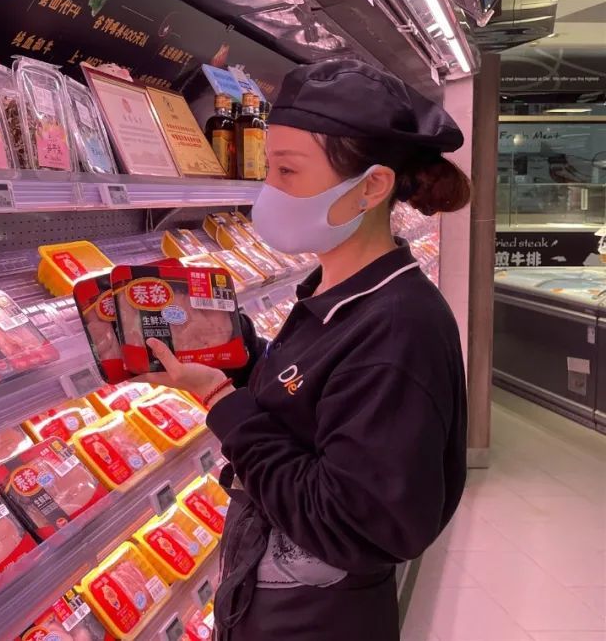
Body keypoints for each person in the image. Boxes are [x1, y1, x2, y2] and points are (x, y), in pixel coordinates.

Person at [141, 60, 470, 640]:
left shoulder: (399, 331)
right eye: (267, 168)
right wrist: (237, 350)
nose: (269, 191)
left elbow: (349, 521)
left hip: (317, 621)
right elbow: (311, 401)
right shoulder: (337, 292)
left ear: (372, 186)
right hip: (268, 602)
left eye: (288, 171)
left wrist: (219, 399)